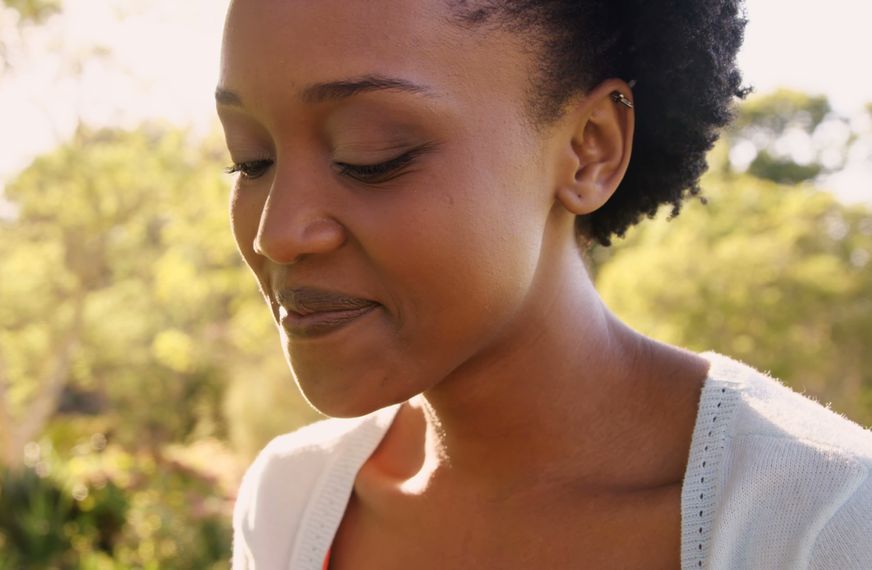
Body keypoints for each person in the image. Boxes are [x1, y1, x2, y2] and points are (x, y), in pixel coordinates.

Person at [215, 1, 872, 568]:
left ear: (591, 147)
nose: (279, 233)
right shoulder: (291, 506)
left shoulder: (823, 526)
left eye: (371, 156)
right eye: (251, 159)